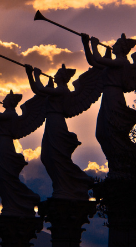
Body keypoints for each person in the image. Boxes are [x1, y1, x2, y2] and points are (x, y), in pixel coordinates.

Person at [81, 33, 136, 179]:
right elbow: (94, 61)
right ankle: (116, 163)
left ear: (122, 48)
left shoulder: (122, 62)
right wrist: (86, 44)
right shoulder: (113, 63)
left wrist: (93, 44)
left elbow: (98, 59)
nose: (113, 45)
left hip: (114, 96)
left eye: (117, 44)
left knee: (113, 131)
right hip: (107, 97)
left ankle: (126, 163)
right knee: (102, 132)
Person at [24, 64, 93, 201]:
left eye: (57, 73)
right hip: (50, 122)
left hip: (56, 122)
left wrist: (36, 75)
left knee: (57, 155)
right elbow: (38, 91)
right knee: (47, 156)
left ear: (62, 77)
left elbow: (40, 89)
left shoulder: (62, 90)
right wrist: (30, 75)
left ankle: (68, 185)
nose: (54, 75)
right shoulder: (56, 90)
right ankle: (61, 185)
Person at [0, 91, 40, 217]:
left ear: (11, 102)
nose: (3, 100)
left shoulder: (11, 114)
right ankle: (9, 202)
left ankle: (18, 201)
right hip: (0, 144)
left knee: (5, 175)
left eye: (5, 99)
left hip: (5, 145)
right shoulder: (6, 114)